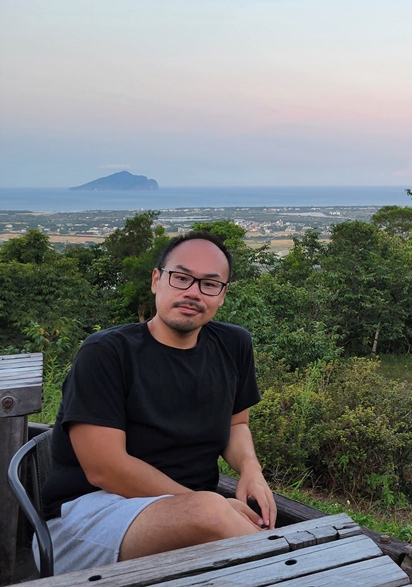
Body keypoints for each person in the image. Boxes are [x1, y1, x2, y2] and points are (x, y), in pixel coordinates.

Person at [39, 231, 276, 575]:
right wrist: (204, 506)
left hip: (192, 514)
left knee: (215, 519)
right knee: (213, 517)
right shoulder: (106, 353)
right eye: (181, 278)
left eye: (210, 284)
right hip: (87, 518)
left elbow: (235, 425)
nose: (193, 292)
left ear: (223, 295)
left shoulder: (233, 345)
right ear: (156, 280)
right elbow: (105, 468)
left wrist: (251, 470)